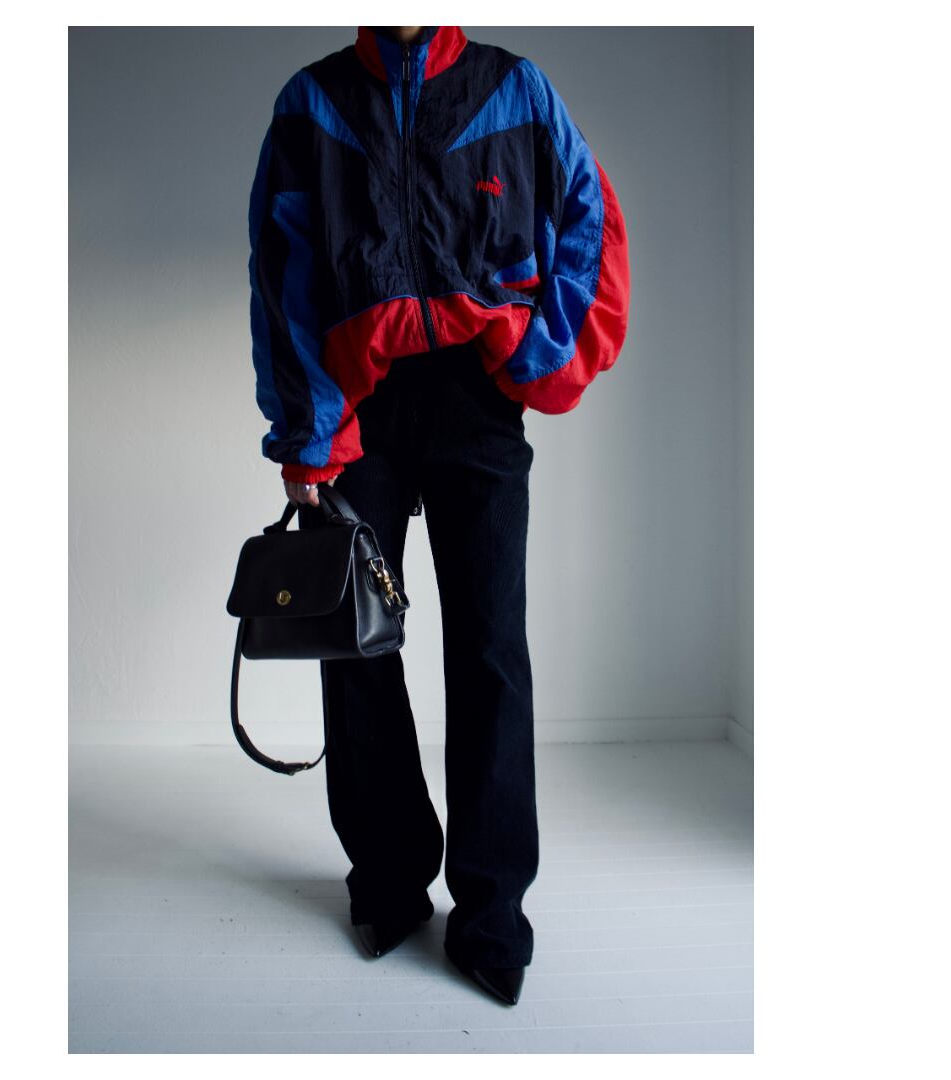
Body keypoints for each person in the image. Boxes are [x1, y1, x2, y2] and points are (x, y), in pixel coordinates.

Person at [246, 25, 630, 1006]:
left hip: (476, 401)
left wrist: (534, 354)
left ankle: (493, 912)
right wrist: (309, 433)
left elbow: (589, 221)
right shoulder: (313, 102)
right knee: (358, 648)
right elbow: (284, 272)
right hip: (359, 411)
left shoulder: (515, 89)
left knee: (490, 648)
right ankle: (387, 881)